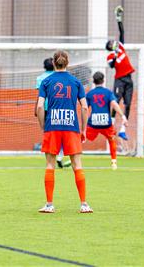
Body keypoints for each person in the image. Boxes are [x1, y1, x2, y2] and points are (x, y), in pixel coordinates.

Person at [36, 50, 93, 213]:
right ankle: (84, 204)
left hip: (52, 126)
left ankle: (49, 205)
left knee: (50, 165)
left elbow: (40, 106)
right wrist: (83, 129)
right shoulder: (76, 82)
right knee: (77, 164)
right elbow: (84, 107)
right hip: (71, 126)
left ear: (54, 63)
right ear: (67, 63)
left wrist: (43, 126)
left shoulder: (46, 82)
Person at [86, 72, 128, 170]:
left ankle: (72, 156)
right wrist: (123, 116)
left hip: (94, 122)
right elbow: (114, 104)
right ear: (103, 81)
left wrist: (84, 123)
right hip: (106, 122)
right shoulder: (108, 92)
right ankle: (114, 162)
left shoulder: (90, 93)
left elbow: (85, 108)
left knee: (82, 137)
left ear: (93, 81)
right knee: (111, 139)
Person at [105, 6, 135, 141]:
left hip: (129, 79)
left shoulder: (121, 47)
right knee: (115, 102)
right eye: (111, 42)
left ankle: (123, 130)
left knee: (128, 104)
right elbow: (111, 66)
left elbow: (121, 32)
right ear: (109, 47)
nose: (114, 42)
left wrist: (118, 19)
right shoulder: (110, 55)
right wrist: (115, 55)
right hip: (119, 80)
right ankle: (111, 127)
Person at [35, 57, 71, 168]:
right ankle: (59, 155)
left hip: (44, 109)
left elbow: (39, 96)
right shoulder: (59, 77)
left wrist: (36, 108)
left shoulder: (40, 78)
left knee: (49, 133)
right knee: (62, 132)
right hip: (57, 107)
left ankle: (52, 157)